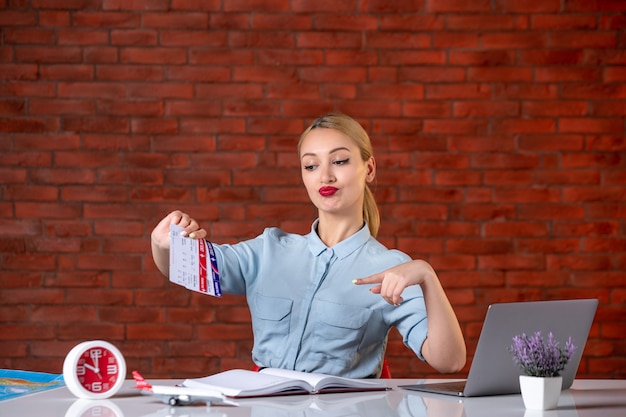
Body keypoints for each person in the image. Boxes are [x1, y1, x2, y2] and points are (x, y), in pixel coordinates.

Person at [151, 113, 466, 378]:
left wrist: (426, 275)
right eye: (311, 166)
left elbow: (449, 361)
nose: (325, 176)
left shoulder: (392, 268)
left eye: (340, 161)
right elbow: (185, 270)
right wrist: (164, 243)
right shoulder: (268, 251)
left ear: (369, 169)